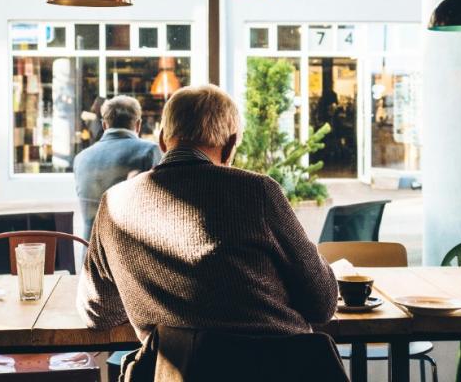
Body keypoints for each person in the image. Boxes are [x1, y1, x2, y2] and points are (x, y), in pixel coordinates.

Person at [77, 84, 338, 341]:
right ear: (230, 145)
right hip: (280, 368)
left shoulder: (114, 204)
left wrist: (149, 294)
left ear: (162, 141)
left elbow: (97, 313)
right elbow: (322, 303)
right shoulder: (257, 192)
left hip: (175, 372)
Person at [73, 95, 161, 240]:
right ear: (138, 124)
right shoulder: (149, 151)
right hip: (130, 254)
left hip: (90, 254)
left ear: (104, 125)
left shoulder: (81, 158)